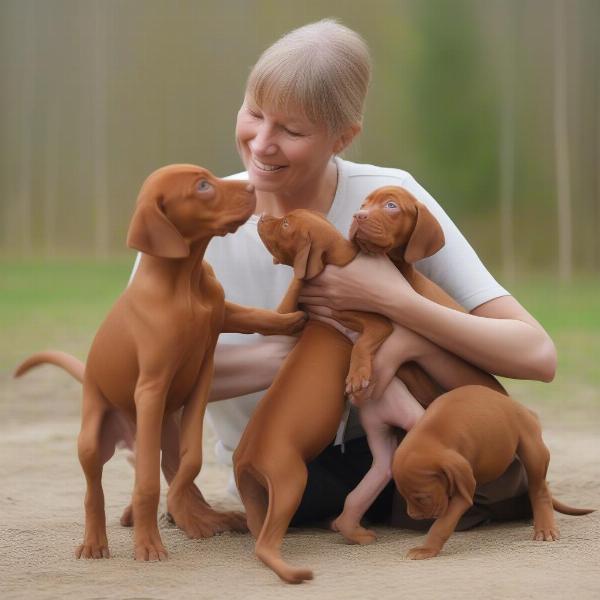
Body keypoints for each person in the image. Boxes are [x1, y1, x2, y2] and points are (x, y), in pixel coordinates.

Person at [134, 19, 557, 528]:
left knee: (471, 469)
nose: (262, 143)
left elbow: (537, 355)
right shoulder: (189, 217)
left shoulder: (390, 201)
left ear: (343, 137)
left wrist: (398, 306)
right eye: (254, 114)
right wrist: (309, 353)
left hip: (404, 451)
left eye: (292, 130)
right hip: (282, 463)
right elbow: (140, 376)